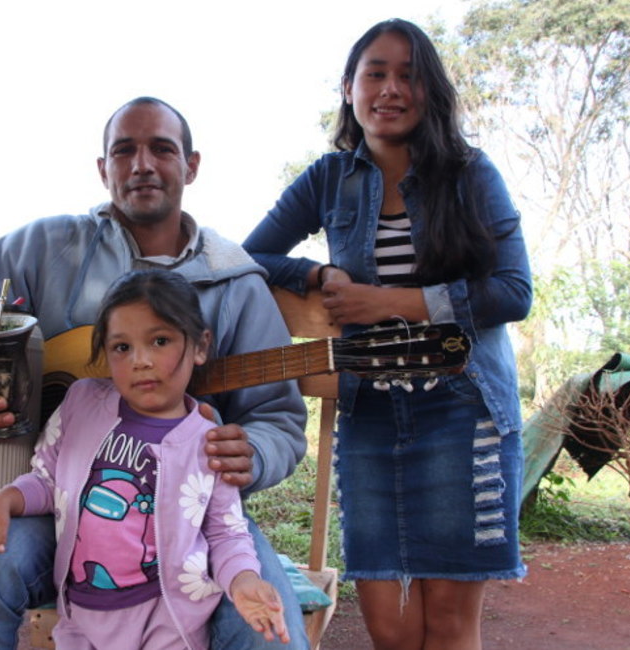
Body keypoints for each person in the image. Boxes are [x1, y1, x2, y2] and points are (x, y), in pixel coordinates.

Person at [0, 96, 309, 649]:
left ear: (191, 165)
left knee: (271, 631)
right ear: (102, 168)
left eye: (161, 148)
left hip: (195, 521)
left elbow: (277, 417)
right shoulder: (44, 250)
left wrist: (252, 452)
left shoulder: (235, 284)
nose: (141, 164)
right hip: (50, 501)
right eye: (123, 150)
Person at [243, 19, 532, 650]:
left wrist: (388, 301)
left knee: (451, 625)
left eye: (409, 74)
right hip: (371, 416)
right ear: (349, 88)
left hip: (463, 412)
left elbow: (513, 292)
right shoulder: (328, 178)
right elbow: (250, 255)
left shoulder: (470, 174)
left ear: (430, 91)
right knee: (390, 630)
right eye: (376, 73)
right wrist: (317, 271)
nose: (391, 88)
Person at [0, 269, 291, 649]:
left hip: (168, 629)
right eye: (122, 348)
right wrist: (5, 498)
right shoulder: (80, 405)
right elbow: (47, 480)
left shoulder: (210, 440)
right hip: (81, 622)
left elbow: (226, 532)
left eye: (160, 341)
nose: (140, 360)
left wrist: (244, 580)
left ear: (199, 346)